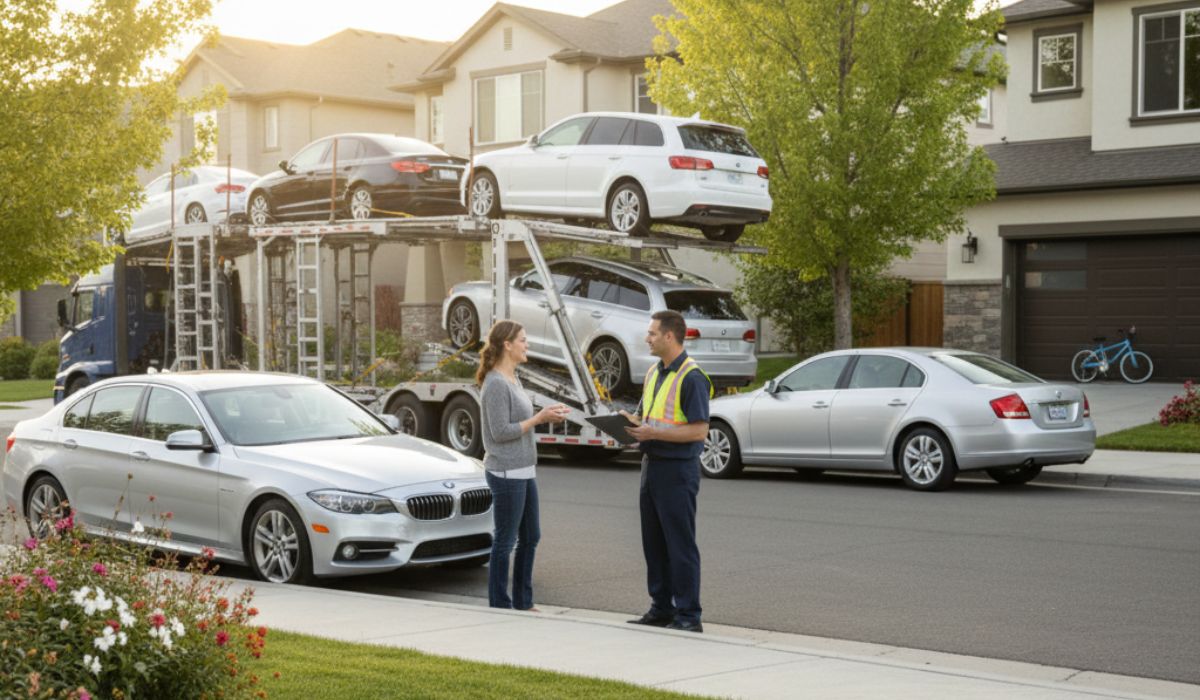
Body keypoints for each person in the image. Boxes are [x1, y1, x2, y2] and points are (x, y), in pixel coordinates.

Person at [622, 310, 713, 633]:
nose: (647, 338)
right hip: (651, 466)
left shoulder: (692, 377)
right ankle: (661, 608)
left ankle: (689, 615)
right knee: (654, 544)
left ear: (670, 336)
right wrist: (628, 427)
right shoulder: (653, 373)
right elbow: (648, 418)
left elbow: (699, 432)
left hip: (677, 471)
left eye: (652, 333)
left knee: (680, 545)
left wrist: (653, 434)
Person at [477, 320, 569, 610]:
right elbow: (500, 432)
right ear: (507, 344)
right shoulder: (494, 384)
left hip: (524, 469)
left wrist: (547, 417)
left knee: (531, 536)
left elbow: (519, 425)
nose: (527, 345)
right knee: (506, 541)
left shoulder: (514, 380)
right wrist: (538, 419)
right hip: (505, 471)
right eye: (523, 340)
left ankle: (524, 602)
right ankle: (500, 604)